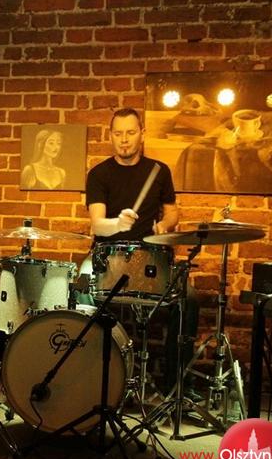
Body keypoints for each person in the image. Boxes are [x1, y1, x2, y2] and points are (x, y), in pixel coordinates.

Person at [84, 107, 200, 400]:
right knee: (81, 294)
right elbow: (97, 223)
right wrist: (117, 224)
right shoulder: (98, 174)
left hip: (151, 259)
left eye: (130, 132)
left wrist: (165, 225)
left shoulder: (159, 171)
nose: (124, 139)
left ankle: (176, 388)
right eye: (118, 133)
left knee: (188, 298)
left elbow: (172, 212)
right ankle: (94, 382)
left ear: (142, 134)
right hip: (108, 258)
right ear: (111, 136)